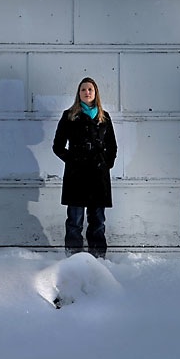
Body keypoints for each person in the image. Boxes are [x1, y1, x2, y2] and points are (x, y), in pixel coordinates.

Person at [52, 77, 118, 259]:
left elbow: (112, 145)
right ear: (78, 93)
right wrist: (73, 160)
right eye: (83, 89)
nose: (87, 92)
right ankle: (74, 258)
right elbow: (57, 146)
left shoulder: (104, 117)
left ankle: (98, 258)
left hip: (98, 175)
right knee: (75, 220)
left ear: (95, 93)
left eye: (90, 89)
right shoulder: (69, 116)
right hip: (77, 175)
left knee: (98, 220)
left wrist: (106, 163)